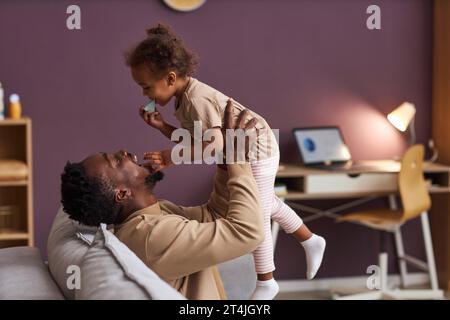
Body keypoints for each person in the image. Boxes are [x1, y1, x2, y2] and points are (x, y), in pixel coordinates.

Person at [125, 23, 326, 299]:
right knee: (267, 203)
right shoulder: (182, 100)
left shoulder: (196, 100)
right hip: (247, 148)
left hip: (256, 148)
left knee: (258, 211)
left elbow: (216, 145)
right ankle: (311, 240)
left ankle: (267, 280)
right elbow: (197, 140)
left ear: (170, 78)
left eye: (146, 87)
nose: (145, 95)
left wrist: (171, 157)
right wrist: (163, 127)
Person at [60, 105, 264, 299]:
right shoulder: (150, 236)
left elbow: (216, 216)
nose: (123, 152)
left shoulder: (153, 214)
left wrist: (226, 159)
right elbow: (248, 232)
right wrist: (237, 157)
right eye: (115, 161)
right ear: (122, 194)